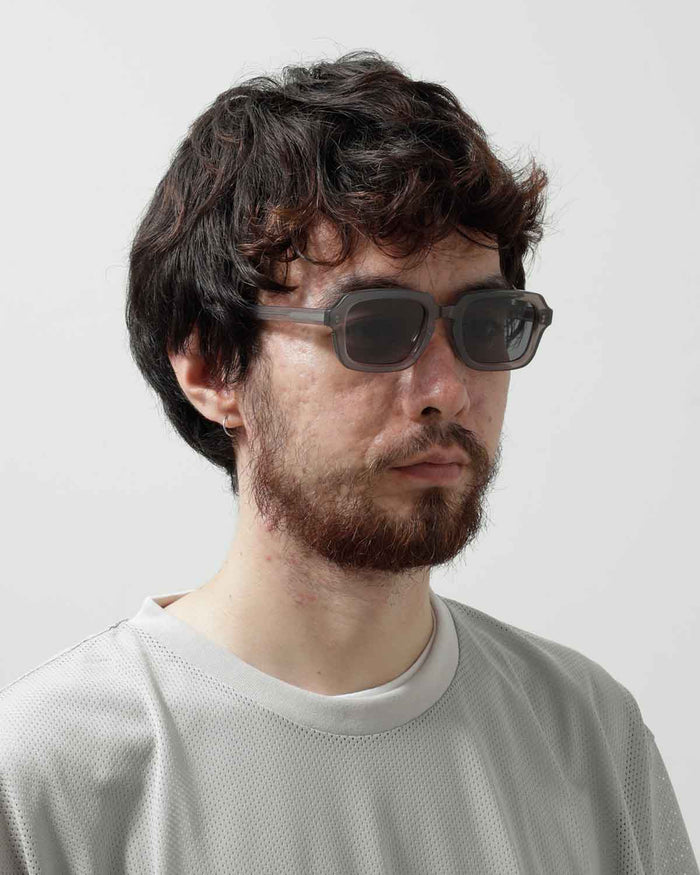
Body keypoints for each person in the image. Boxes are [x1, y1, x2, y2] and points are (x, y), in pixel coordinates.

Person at [0, 50, 696, 874]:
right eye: (375, 327)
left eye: (485, 325)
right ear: (212, 367)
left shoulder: (590, 737)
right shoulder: (51, 773)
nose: (446, 391)